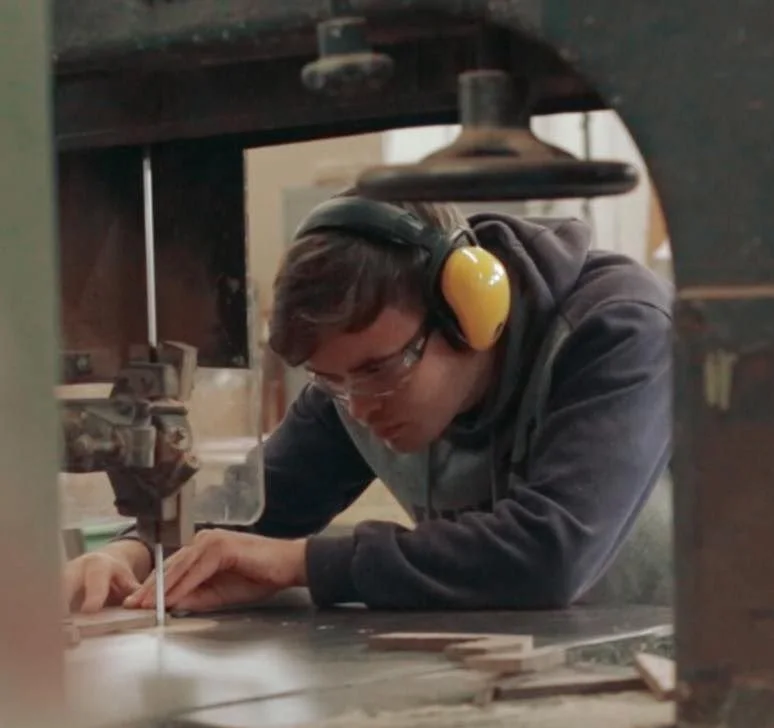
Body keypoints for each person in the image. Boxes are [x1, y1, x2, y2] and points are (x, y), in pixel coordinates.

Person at [64, 191, 674, 615]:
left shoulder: (616, 331)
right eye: (331, 380)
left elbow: (552, 552)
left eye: (379, 371)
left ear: (469, 313)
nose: (357, 407)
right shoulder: (351, 386)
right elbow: (257, 507)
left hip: (684, 666)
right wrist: (135, 551)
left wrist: (305, 564)